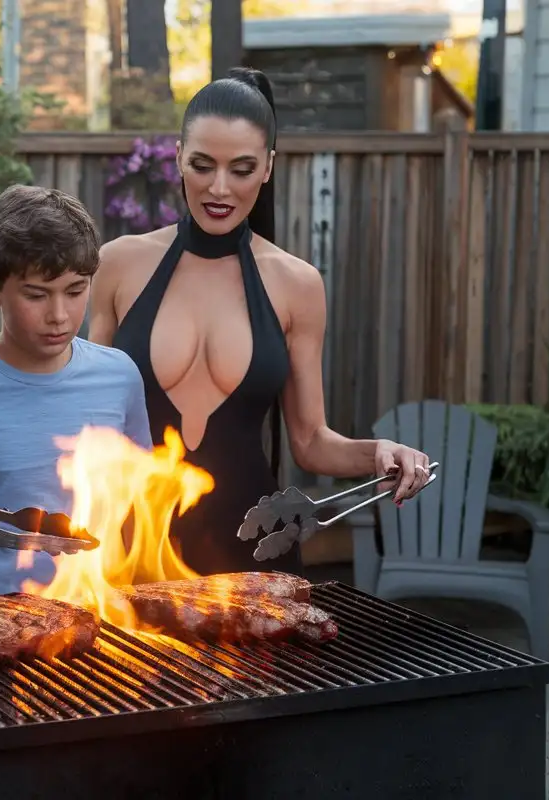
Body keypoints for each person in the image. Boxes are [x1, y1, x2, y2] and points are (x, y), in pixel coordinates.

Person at [88, 68, 433, 577]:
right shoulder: (119, 263)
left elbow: (310, 440)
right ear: (179, 155)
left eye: (242, 169)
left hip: (253, 554)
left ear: (268, 167)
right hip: (135, 549)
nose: (219, 188)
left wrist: (379, 452)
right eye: (202, 165)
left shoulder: (297, 284)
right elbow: (84, 416)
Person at [0, 185, 151, 600]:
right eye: (36, 295)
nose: (59, 316)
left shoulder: (121, 378)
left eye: (76, 291)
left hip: (99, 619)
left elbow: (141, 512)